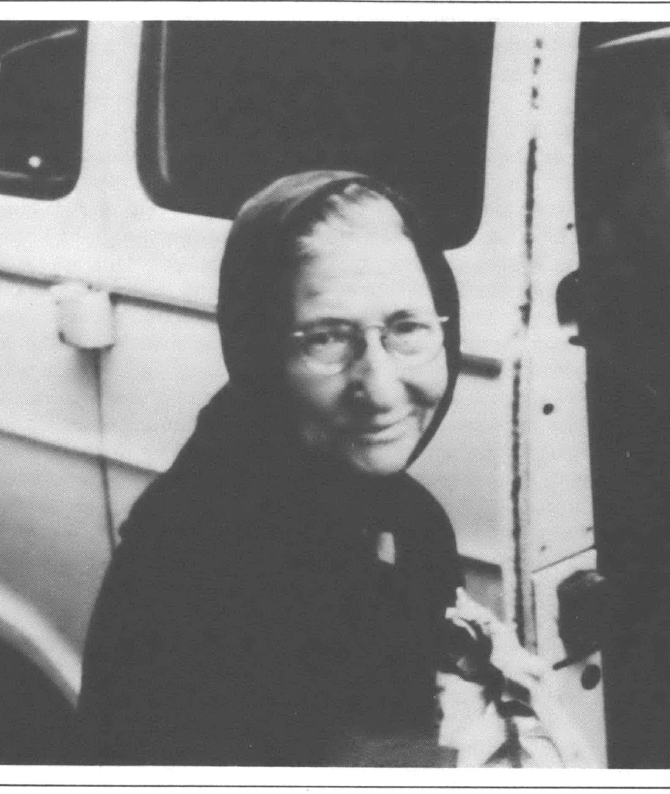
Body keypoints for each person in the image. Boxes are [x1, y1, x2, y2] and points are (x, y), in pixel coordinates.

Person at [75, 171, 464, 765]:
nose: (381, 390)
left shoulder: (408, 519)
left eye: (407, 328)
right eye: (327, 340)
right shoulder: (190, 565)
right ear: (260, 355)